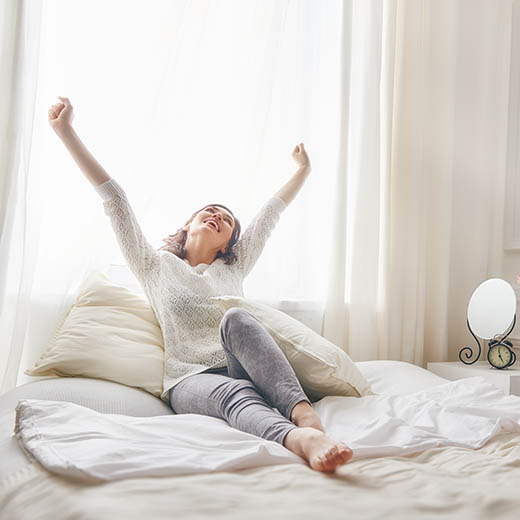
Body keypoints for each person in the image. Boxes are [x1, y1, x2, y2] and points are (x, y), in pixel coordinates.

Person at [48, 96, 353, 473]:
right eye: (207, 211)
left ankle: (306, 417)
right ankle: (300, 439)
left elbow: (269, 215)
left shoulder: (234, 267)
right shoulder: (154, 266)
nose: (215, 215)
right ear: (188, 224)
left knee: (237, 320)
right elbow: (116, 201)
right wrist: (66, 132)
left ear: (228, 243)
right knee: (236, 394)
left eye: (225, 218)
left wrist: (302, 171)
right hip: (190, 379)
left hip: (243, 366)